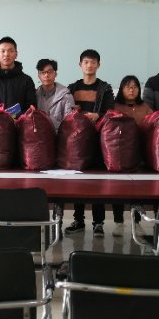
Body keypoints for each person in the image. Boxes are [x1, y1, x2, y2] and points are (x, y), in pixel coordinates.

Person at [64, 49, 115, 238]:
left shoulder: (105, 88)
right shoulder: (72, 88)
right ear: (80, 65)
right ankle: (78, 220)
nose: (89, 65)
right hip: (77, 140)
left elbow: (110, 111)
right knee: (78, 179)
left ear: (98, 65)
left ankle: (98, 223)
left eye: (93, 62)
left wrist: (98, 115)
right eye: (86, 62)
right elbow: (67, 112)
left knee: (97, 180)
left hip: (98, 138)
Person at [111, 74, 153, 236]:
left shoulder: (145, 107)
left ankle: (137, 222)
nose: (131, 90)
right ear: (122, 89)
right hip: (119, 155)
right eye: (128, 87)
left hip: (140, 155)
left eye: (135, 87)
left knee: (137, 191)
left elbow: (153, 124)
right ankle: (118, 222)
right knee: (118, 190)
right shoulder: (115, 107)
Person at [0, 36, 37, 114]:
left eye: (11, 51)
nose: (6, 54)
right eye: (3, 51)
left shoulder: (26, 80)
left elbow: (31, 107)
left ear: (16, 54)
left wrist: (15, 116)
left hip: (18, 121)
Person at [35, 58, 74, 131]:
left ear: (55, 74)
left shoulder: (66, 96)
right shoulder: (34, 96)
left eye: (49, 72)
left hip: (59, 135)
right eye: (43, 72)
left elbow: (70, 123)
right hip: (39, 135)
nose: (46, 75)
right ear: (38, 75)